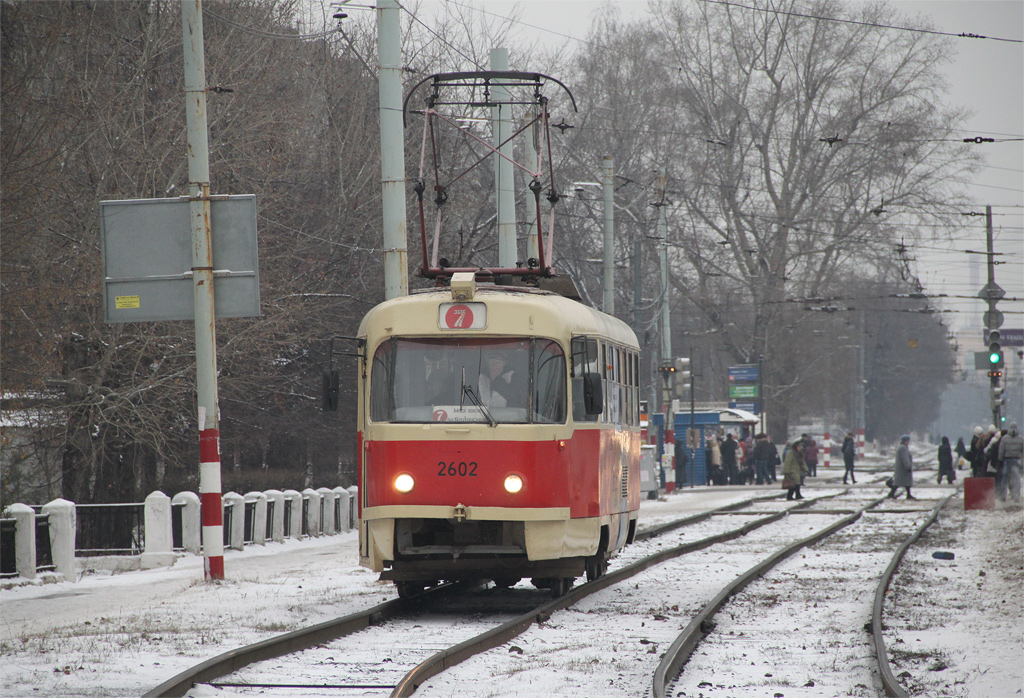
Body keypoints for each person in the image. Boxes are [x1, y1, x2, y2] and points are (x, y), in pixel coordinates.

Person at [997, 423, 1023, 503]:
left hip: (1007, 460)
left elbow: (1001, 450)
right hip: (1016, 460)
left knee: (1005, 479)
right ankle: (1016, 496)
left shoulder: (1004, 439)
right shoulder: (1021, 439)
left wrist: (1000, 459)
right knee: (1017, 478)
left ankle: (1003, 496)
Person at [888, 434, 915, 499]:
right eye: (908, 441)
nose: (909, 442)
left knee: (902, 483)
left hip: (901, 469)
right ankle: (891, 494)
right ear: (905, 441)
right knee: (901, 482)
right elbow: (905, 458)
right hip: (903, 469)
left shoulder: (902, 447)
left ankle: (908, 494)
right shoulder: (903, 448)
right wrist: (908, 466)